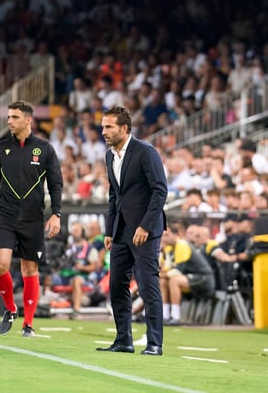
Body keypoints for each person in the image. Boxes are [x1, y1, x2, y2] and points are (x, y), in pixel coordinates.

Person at [0, 100, 63, 338]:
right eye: (8, 117)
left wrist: (56, 214)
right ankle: (10, 309)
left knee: (29, 269)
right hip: (5, 216)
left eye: (14, 117)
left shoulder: (45, 149)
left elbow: (56, 183)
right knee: (0, 265)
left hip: (33, 218)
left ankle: (28, 324)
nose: (9, 121)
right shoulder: (1, 148)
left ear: (28, 120)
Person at [97, 105, 168, 356]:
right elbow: (114, 195)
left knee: (148, 285)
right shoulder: (109, 156)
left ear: (124, 128)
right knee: (117, 284)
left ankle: (154, 343)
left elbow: (160, 190)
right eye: (103, 126)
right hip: (120, 230)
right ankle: (123, 341)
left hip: (144, 230)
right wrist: (109, 229)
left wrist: (145, 226)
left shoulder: (145, 151)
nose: (103, 131)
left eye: (109, 127)